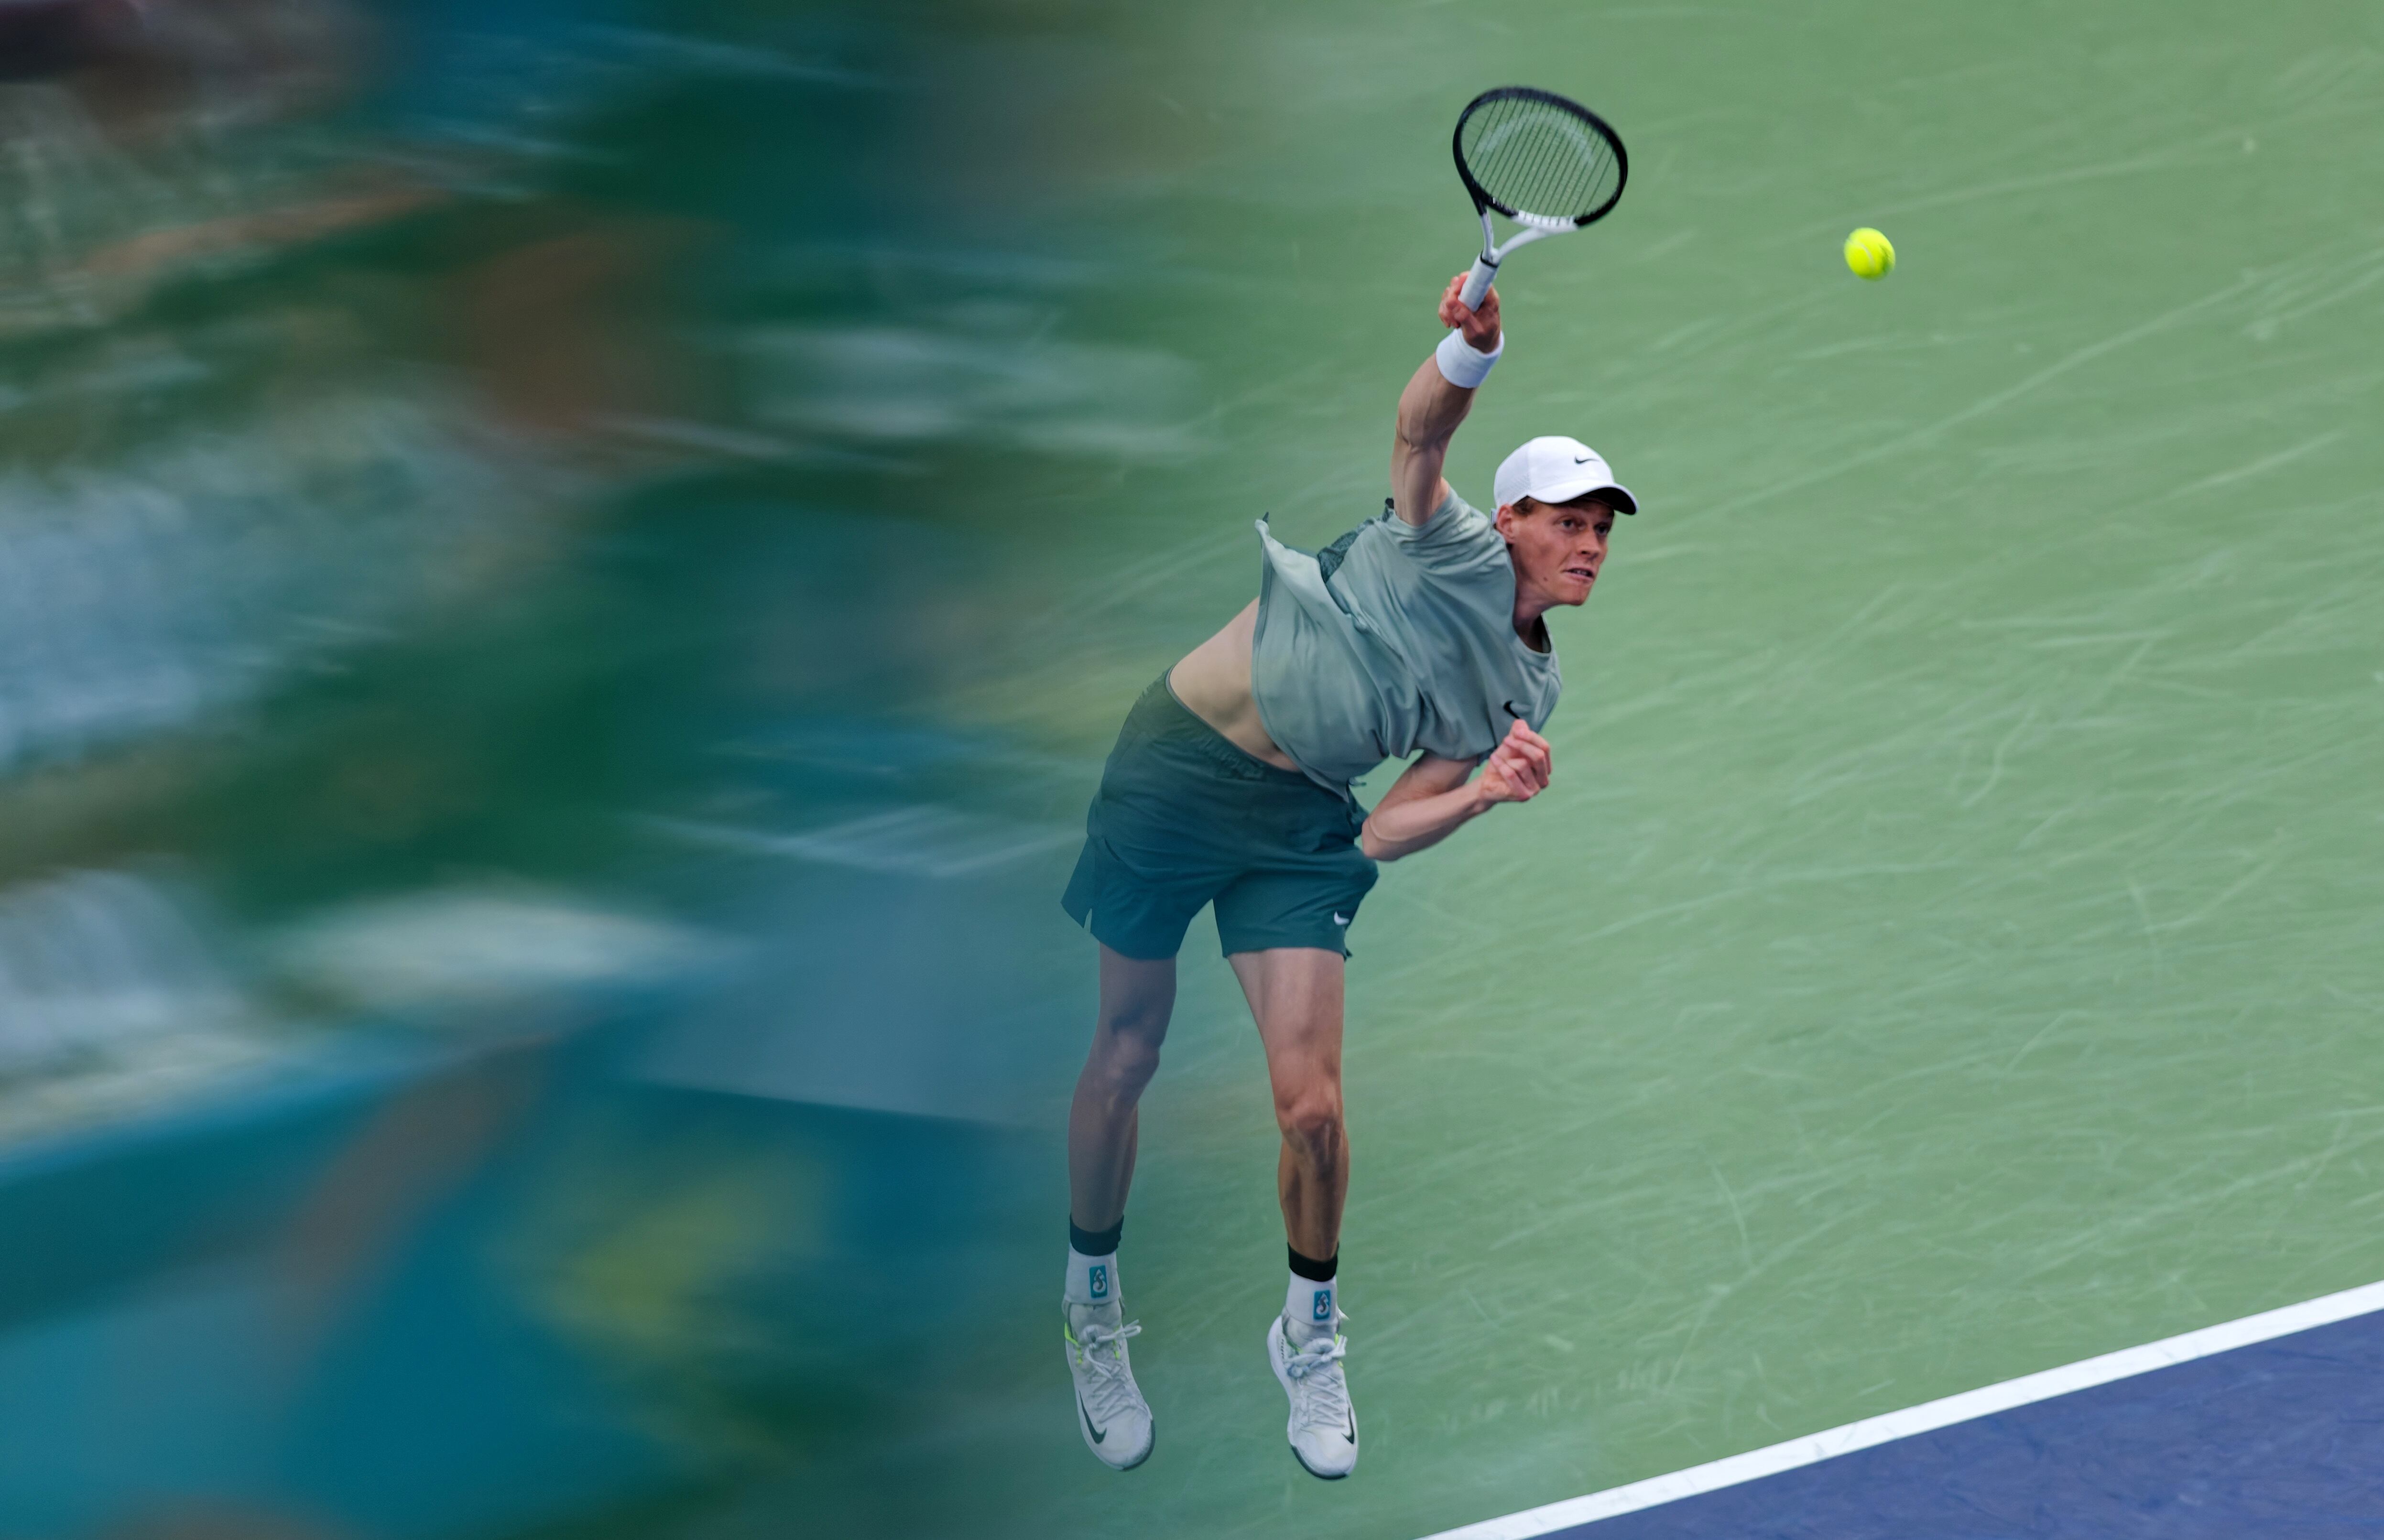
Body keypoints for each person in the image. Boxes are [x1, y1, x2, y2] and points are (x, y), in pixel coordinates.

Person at [1057, 272, 1635, 1480]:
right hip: (1173, 771)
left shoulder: (1528, 693)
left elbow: (1378, 836)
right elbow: (1421, 432)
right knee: (1126, 1056)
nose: (1588, 544)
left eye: (1602, 527)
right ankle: (1093, 1303)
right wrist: (1471, 352)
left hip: (1300, 822)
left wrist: (1478, 793)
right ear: (1514, 518)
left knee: (1313, 1110)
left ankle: (1308, 1335)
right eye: (1569, 519)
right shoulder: (1447, 539)